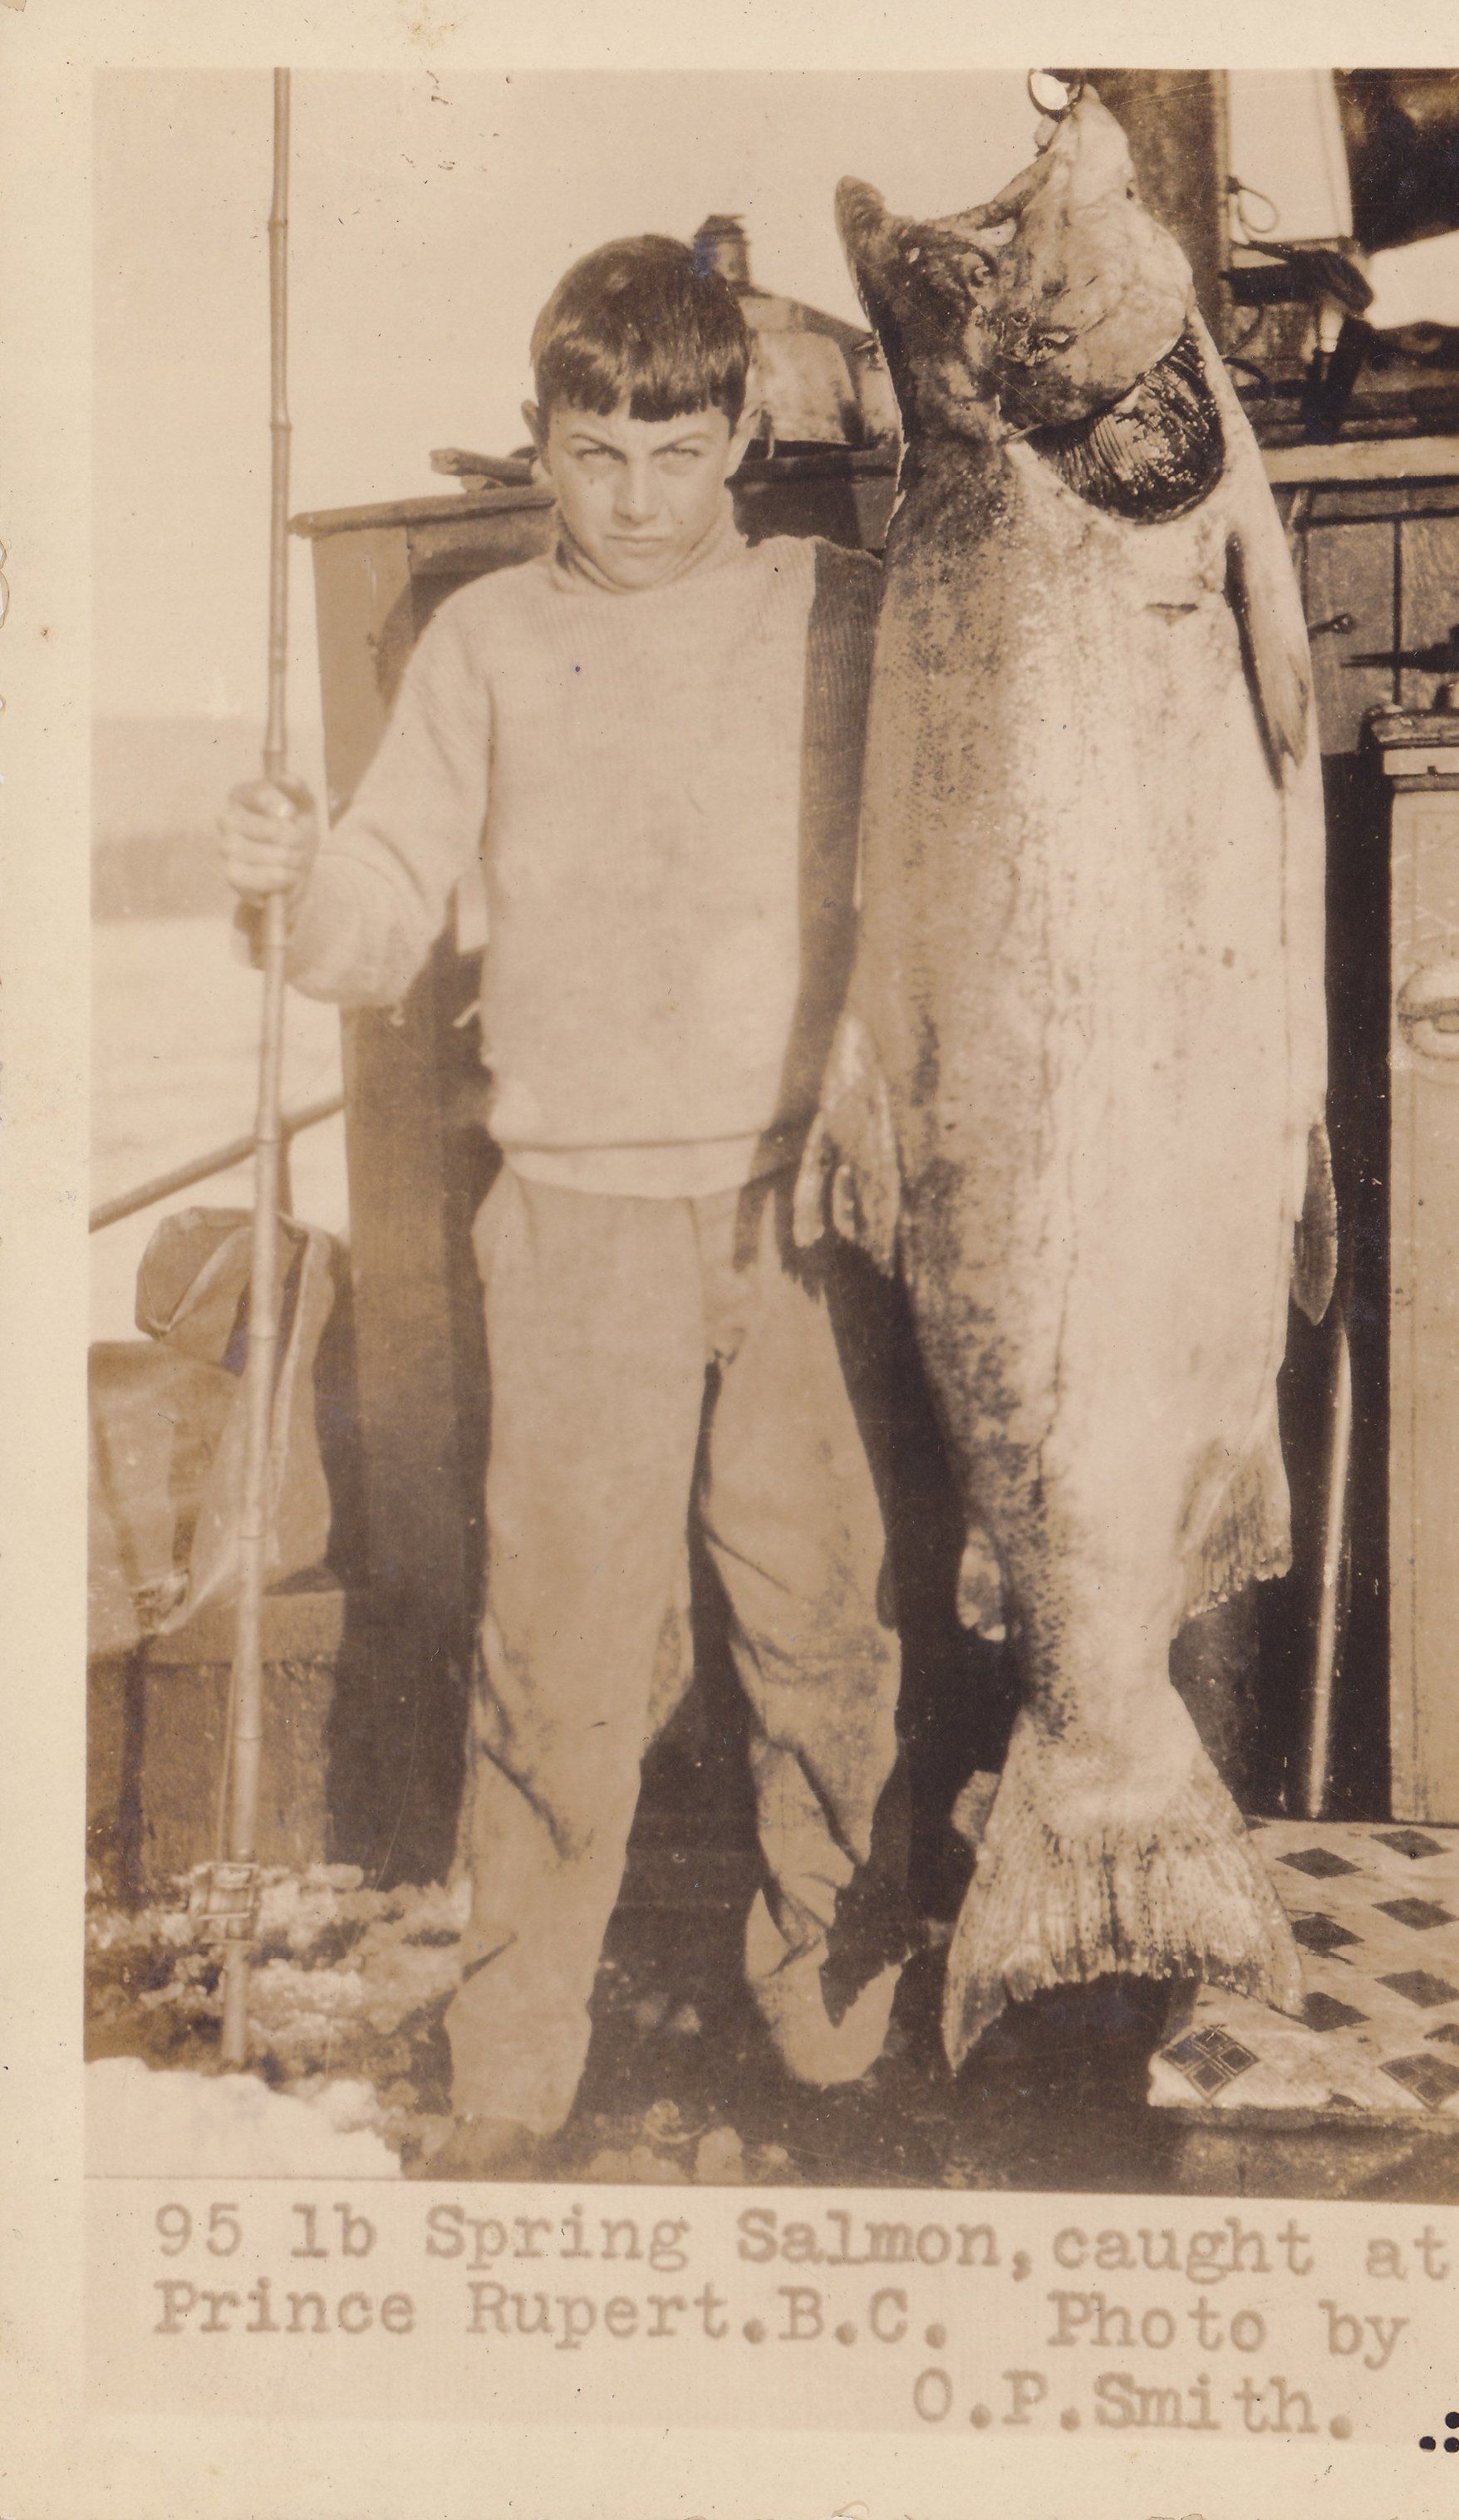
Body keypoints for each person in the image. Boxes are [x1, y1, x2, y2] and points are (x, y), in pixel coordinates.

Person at [219, 234, 904, 2179]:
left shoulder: (842, 613)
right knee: (560, 1659)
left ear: (746, 431)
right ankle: (512, 2074)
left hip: (799, 1217)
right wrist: (287, 887)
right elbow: (372, 920)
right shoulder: (486, 642)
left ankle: (837, 2021)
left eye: (675, 451)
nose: (635, 496)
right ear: (542, 444)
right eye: (595, 451)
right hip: (578, 1226)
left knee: (826, 1637)